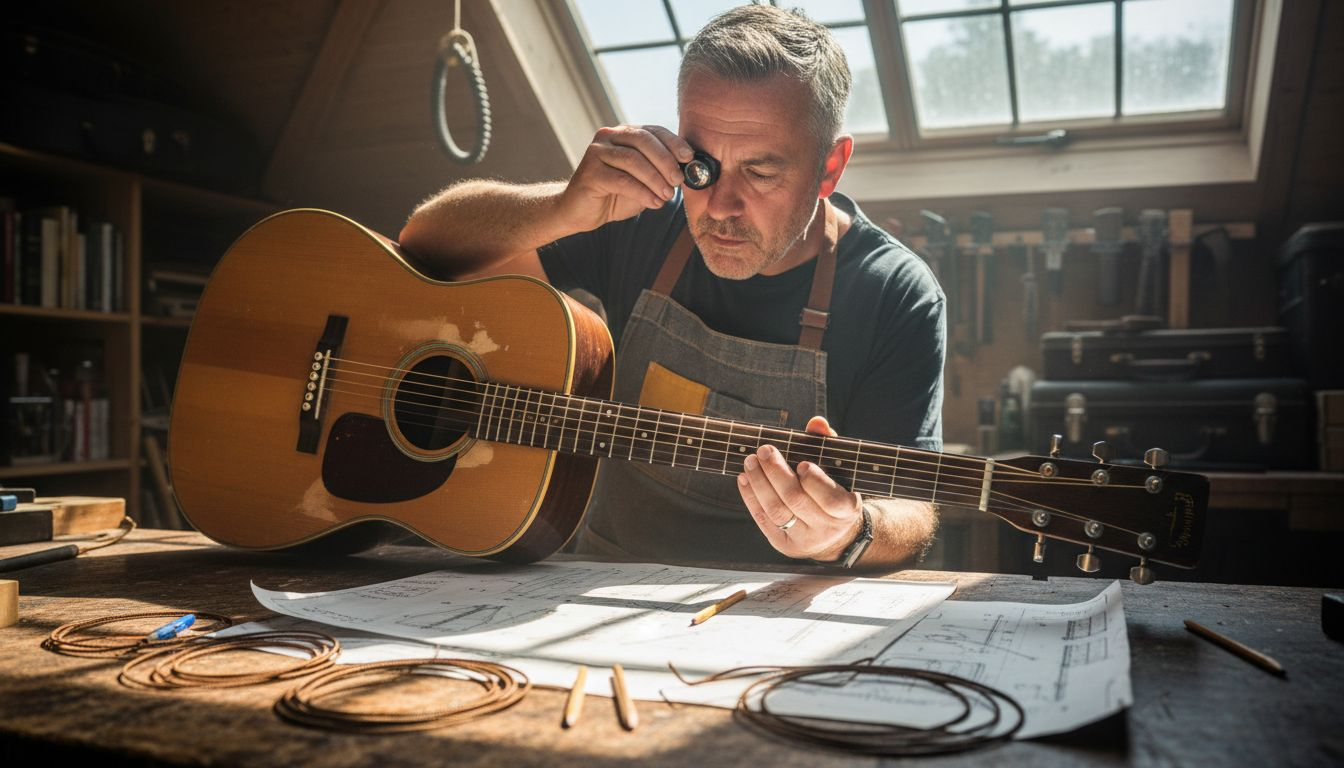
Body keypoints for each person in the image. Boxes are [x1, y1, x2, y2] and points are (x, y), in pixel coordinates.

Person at [398, 5, 944, 570]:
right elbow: (424, 244)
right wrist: (562, 209)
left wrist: (851, 531)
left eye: (760, 173)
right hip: (596, 585)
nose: (722, 208)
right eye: (703, 168)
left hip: (774, 613)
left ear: (830, 167)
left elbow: (915, 508)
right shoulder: (644, 218)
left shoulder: (895, 292)